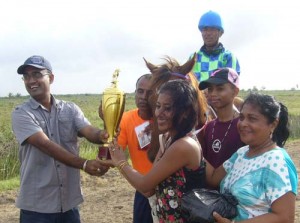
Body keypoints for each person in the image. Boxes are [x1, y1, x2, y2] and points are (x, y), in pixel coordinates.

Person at [11, 55, 110, 223]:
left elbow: (89, 131)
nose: (31, 80)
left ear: (51, 78)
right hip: (37, 208)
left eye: (36, 74)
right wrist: (84, 164)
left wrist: (104, 132)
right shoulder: (21, 113)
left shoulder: (70, 109)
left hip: (69, 203)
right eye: (26, 76)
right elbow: (46, 145)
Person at [101, 79, 205, 222]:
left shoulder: (184, 146)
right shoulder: (168, 138)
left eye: (167, 108)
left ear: (185, 112)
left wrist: (121, 162)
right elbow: (148, 190)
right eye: (158, 106)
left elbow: (144, 184)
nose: (159, 113)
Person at [206, 92, 298, 222]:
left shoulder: (276, 160)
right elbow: (213, 178)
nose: (243, 124)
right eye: (242, 117)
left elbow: (285, 217)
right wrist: (191, 147)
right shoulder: (241, 154)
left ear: (273, 124)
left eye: (252, 118)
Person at [117, 74, 154, 223]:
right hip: (142, 190)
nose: (144, 97)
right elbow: (116, 153)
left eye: (150, 92)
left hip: (166, 190)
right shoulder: (126, 118)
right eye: (140, 91)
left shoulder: (165, 119)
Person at [198, 68, 244, 169]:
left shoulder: (244, 126)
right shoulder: (209, 126)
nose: (213, 94)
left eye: (220, 89)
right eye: (210, 89)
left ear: (235, 92)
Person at [191, 10, 240, 83]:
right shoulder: (194, 57)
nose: (208, 33)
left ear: (221, 33)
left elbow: (231, 85)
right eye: (205, 29)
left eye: (212, 29)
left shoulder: (228, 57)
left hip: (218, 94)